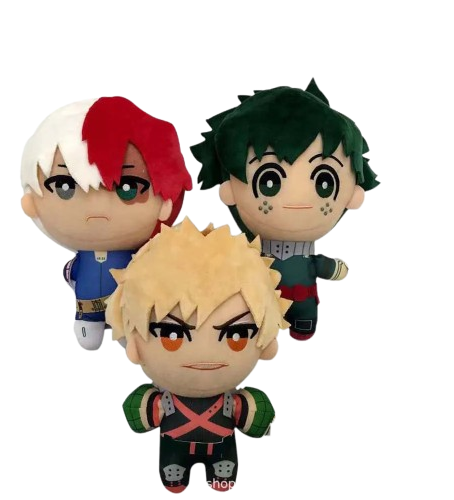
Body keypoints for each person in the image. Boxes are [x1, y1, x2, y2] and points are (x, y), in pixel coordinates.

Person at [107, 218, 289, 493]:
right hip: (173, 449)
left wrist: (257, 415)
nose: (205, 353)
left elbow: (255, 420)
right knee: (173, 467)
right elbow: (138, 418)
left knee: (223, 464)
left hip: (222, 448)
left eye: (237, 335)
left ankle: (219, 471)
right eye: (171, 334)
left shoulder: (230, 400)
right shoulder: (165, 400)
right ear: (134, 346)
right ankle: (176, 474)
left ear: (266, 343)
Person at [191, 78, 380, 342]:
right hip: (258, 303)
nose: (299, 199)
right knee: (254, 320)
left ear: (353, 195)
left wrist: (333, 268)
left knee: (302, 317)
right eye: (269, 181)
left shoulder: (307, 259)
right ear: (229, 190)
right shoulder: (251, 255)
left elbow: (322, 266)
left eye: (324, 183)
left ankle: (302, 325)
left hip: (303, 298)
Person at [20, 96, 192, 351]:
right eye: (65, 186)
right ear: (30, 202)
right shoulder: (82, 260)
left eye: (128, 187)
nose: (98, 209)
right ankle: (91, 324)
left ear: (165, 202)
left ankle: (126, 327)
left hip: (131, 311)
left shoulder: (143, 258)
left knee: (131, 331)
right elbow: (71, 275)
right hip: (87, 309)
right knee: (91, 333)